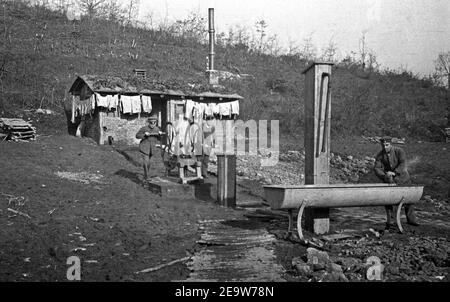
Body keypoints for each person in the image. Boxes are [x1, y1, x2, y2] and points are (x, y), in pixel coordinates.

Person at [373, 136, 419, 227]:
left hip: (403, 179)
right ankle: (392, 221)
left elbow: (403, 163)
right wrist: (384, 176)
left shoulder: (399, 151)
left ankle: (411, 220)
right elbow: (377, 168)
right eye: (383, 145)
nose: (385, 147)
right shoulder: (380, 155)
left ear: (391, 144)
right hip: (389, 181)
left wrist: (394, 172)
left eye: (387, 145)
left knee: (408, 200)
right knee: (389, 201)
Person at [136, 116, 162, 180]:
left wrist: (160, 135)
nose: (152, 124)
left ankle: (146, 175)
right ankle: (147, 176)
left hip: (153, 149)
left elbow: (159, 139)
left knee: (150, 163)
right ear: (149, 123)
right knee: (146, 162)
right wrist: (144, 135)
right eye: (151, 123)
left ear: (156, 123)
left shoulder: (157, 129)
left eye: (154, 123)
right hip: (145, 148)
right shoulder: (144, 128)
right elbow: (137, 136)